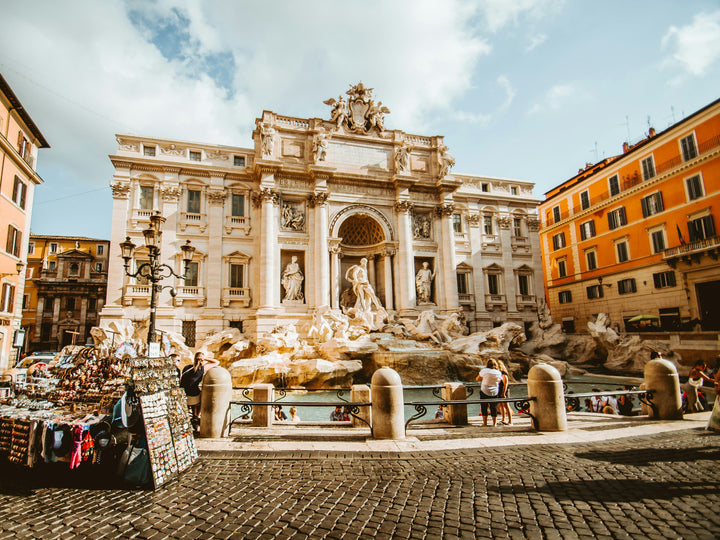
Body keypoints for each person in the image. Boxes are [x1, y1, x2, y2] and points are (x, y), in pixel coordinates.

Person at [180, 352, 219, 424]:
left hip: (184, 395)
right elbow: (216, 362)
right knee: (203, 397)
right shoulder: (202, 369)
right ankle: (196, 416)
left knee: (195, 393)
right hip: (192, 397)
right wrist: (205, 358)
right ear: (202, 360)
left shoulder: (186, 367)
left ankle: (194, 414)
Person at [476, 359, 502, 427]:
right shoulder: (498, 372)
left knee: (484, 406)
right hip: (494, 391)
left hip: (484, 390)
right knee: (493, 407)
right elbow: (499, 381)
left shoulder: (484, 371)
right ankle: (494, 423)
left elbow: (477, 379)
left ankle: (485, 423)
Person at [496, 360, 513, 426]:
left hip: (503, 391)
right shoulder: (499, 374)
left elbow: (505, 384)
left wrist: (503, 393)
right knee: (501, 405)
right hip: (500, 391)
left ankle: (510, 421)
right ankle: (503, 419)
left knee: (506, 406)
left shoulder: (503, 374)